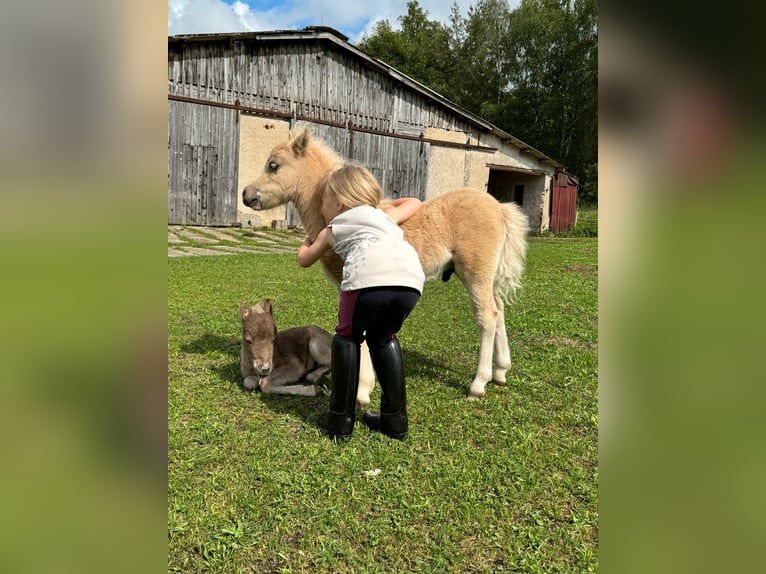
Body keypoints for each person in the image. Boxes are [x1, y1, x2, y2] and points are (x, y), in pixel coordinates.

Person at [297, 164, 424, 440]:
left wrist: (308, 239)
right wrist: (382, 204)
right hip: (410, 281)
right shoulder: (386, 215)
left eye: (323, 202)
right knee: (383, 337)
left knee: (347, 338)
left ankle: (340, 421)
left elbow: (304, 260)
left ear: (339, 203)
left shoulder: (332, 228)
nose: (321, 209)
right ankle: (395, 420)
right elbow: (414, 202)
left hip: (366, 281)